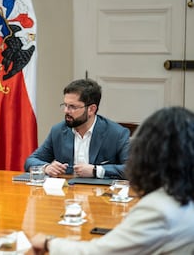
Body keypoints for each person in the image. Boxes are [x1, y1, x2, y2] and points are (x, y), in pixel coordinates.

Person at [30, 106, 194, 254]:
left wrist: (49, 243)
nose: (66, 110)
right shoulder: (184, 198)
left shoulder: (158, 210)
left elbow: (98, 253)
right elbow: (32, 159)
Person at [24, 79, 129, 179]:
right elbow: (31, 161)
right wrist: (47, 167)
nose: (66, 111)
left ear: (91, 109)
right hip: (66, 193)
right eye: (65, 105)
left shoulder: (116, 133)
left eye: (72, 107)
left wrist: (96, 170)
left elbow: (132, 169)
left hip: (99, 194)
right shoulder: (58, 131)